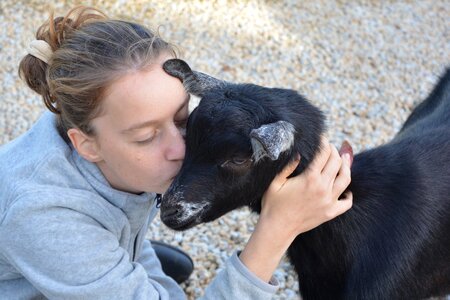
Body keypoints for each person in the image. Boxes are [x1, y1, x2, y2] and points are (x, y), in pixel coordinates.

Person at [0, 6, 353, 300]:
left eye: (183, 118)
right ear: (86, 145)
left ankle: (112, 266)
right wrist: (277, 229)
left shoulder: (109, 144)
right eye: (146, 136)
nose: (180, 148)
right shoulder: (46, 217)